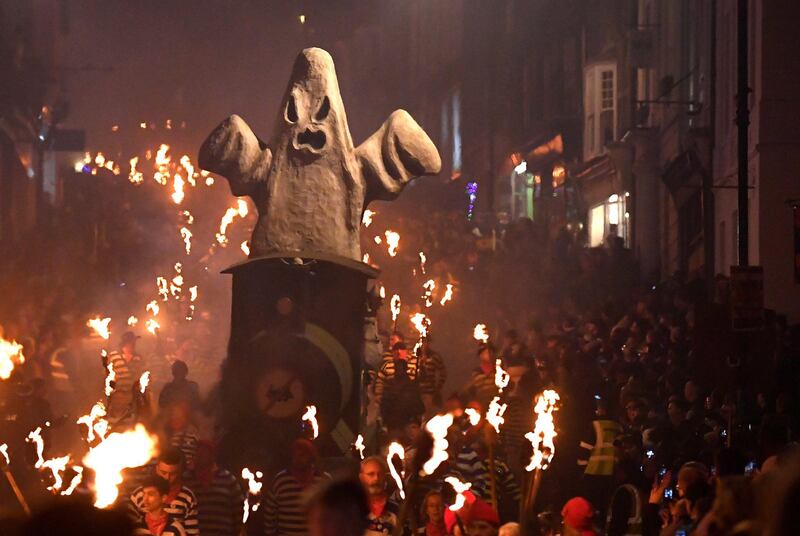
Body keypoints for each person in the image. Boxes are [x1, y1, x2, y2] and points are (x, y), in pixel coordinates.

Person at [263, 439, 329, 535]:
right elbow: (270, 515)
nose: (298, 459)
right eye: (296, 455)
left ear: (311, 457)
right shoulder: (281, 481)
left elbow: (333, 514)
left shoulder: (323, 481)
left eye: (303, 455)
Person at [130, 448, 199, 536]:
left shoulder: (187, 497)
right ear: (157, 468)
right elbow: (128, 528)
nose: (167, 477)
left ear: (180, 472)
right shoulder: (140, 494)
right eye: (163, 472)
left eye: (173, 474)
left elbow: (192, 533)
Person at [186, 441, 243, 536]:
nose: (201, 455)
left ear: (212, 455)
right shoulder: (187, 479)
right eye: (198, 452)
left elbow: (238, 509)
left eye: (205, 452)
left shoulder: (228, 478)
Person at [374, 342, 425, 437]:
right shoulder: (390, 386)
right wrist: (385, 422)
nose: (398, 370)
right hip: (394, 425)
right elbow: (384, 405)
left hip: (408, 425)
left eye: (400, 368)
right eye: (396, 368)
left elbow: (419, 407)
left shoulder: (411, 386)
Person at [108, 331, 144, 422]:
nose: (134, 344)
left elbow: (141, 375)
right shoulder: (114, 356)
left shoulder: (138, 358)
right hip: (117, 397)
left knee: (131, 419)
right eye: (132, 341)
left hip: (132, 396)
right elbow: (107, 375)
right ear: (126, 342)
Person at [359, 456, 399, 536]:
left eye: (380, 474)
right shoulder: (352, 509)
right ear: (362, 477)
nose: (376, 478)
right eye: (371, 474)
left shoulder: (396, 510)